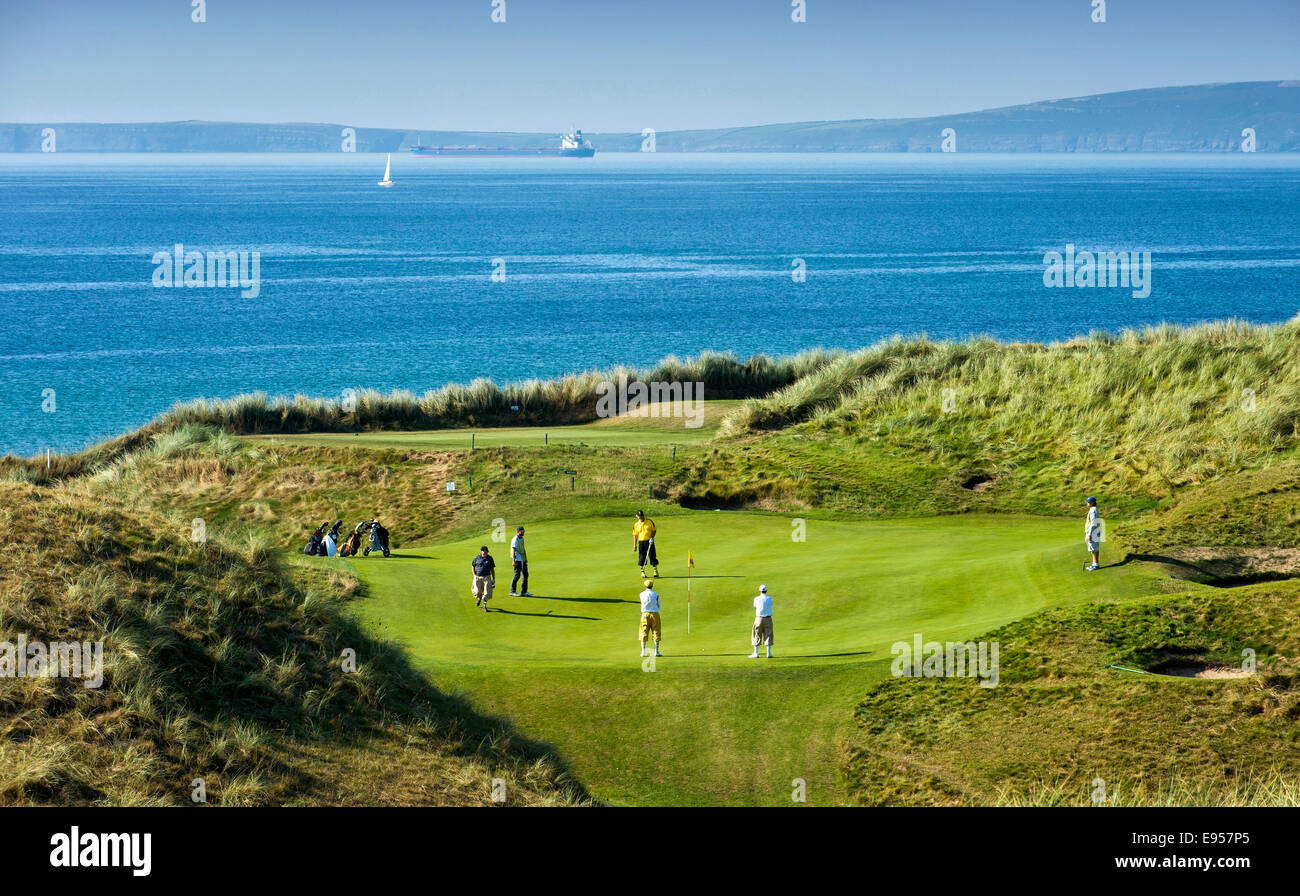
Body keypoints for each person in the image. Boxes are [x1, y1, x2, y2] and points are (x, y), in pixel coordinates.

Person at [638, 578, 662, 658]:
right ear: (652, 586)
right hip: (655, 614)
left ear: (645, 586)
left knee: (644, 631)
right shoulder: (656, 594)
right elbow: (659, 605)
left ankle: (643, 652)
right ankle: (656, 651)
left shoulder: (641, 594)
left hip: (645, 614)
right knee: (656, 631)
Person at [749, 584, 773, 658]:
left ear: (760, 591)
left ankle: (756, 653)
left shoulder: (757, 598)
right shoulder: (770, 598)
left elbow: (755, 606)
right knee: (768, 634)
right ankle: (768, 653)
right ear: (766, 591)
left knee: (756, 633)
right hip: (768, 618)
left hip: (759, 618)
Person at [633, 510, 659, 578]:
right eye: (639, 516)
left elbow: (654, 530)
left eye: (641, 515)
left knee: (652, 555)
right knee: (642, 557)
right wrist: (635, 545)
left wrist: (652, 538)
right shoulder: (636, 524)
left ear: (643, 515)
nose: (641, 517)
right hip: (641, 542)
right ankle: (642, 572)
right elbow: (635, 535)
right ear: (637, 516)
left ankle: (655, 571)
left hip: (649, 541)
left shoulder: (649, 521)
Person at [471, 546, 496, 612]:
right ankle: (479, 598)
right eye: (484, 552)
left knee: (487, 592)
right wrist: (474, 575)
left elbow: (492, 569)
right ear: (481, 551)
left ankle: (484, 606)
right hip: (478, 577)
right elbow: (473, 566)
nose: (485, 553)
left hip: (487, 577)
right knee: (478, 591)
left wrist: (493, 579)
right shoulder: (477, 558)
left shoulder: (490, 558)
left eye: (486, 552)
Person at [510, 525, 532, 596]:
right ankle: (512, 591)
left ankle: (524, 592)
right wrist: (513, 560)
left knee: (525, 574)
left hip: (522, 559)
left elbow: (523, 548)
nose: (523, 532)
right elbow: (513, 550)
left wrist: (525, 558)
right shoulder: (515, 539)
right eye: (521, 531)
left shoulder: (522, 538)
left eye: (523, 530)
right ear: (518, 532)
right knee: (517, 575)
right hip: (517, 559)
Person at [1084, 496, 1102, 571]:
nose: (1087, 503)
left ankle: (1095, 564)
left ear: (1092, 503)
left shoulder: (1093, 511)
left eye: (1088, 502)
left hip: (1093, 532)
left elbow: (1093, 523)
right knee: (1093, 548)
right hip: (1094, 531)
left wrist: (1089, 534)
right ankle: (1094, 563)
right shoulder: (1093, 509)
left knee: (1094, 548)